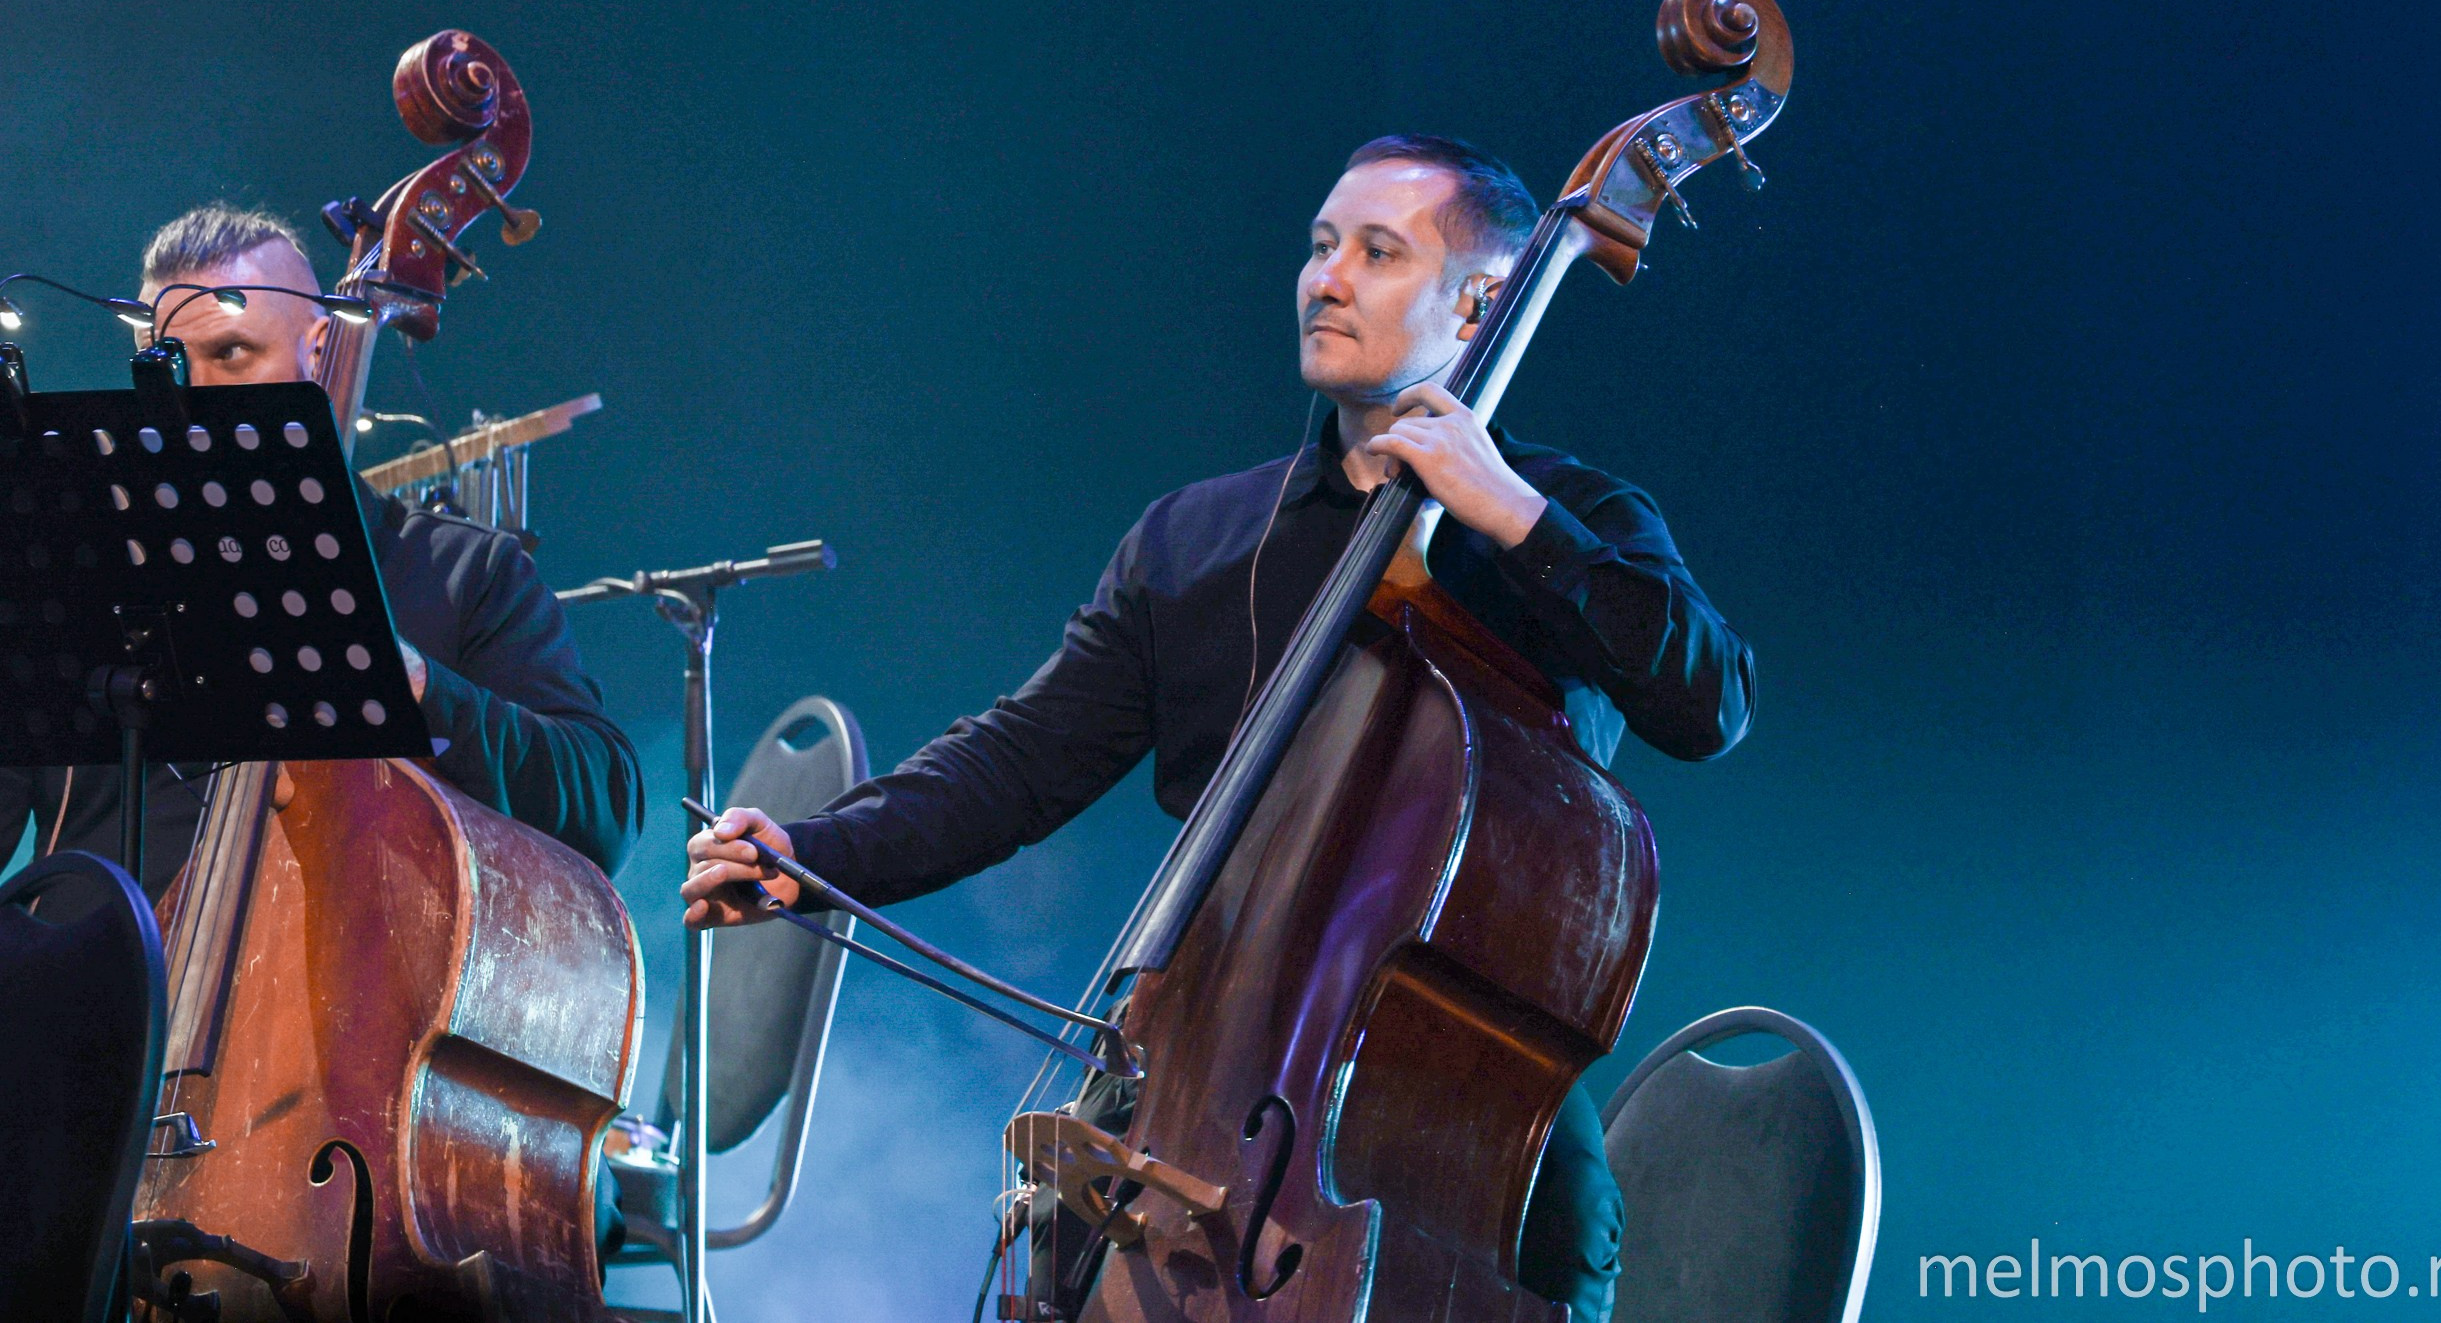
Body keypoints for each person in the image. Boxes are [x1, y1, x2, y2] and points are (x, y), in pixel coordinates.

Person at [682, 136, 1757, 1323]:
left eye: (1376, 251)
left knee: (1545, 1244)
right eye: (1319, 244)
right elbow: (1018, 761)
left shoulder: (1563, 513)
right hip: (1200, 1084)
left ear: (1483, 297)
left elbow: (1706, 702)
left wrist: (1512, 511)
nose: (1325, 276)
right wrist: (814, 852)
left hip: (1465, 1103)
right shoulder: (1196, 537)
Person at [0, 204, 643, 901]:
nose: (194, 396)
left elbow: (606, 810)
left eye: (232, 354)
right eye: (169, 365)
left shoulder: (464, 574)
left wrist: (421, 684)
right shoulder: (88, 567)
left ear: (320, 347)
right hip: (90, 999)